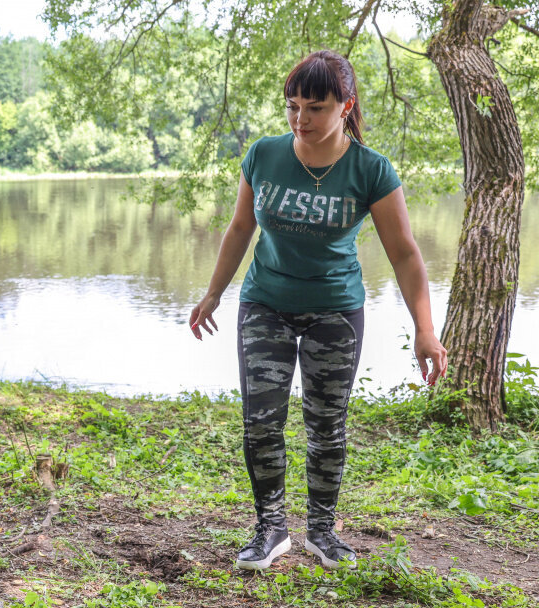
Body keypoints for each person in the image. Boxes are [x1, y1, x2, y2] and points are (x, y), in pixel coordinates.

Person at [188, 51, 447, 572]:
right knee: (261, 420)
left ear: (345, 106)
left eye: (315, 107)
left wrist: (425, 329)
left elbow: (405, 254)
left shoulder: (371, 170)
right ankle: (271, 529)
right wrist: (214, 292)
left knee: (327, 424)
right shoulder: (263, 155)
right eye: (292, 106)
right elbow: (241, 228)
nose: (300, 119)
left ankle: (323, 532)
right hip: (266, 302)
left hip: (335, 309)